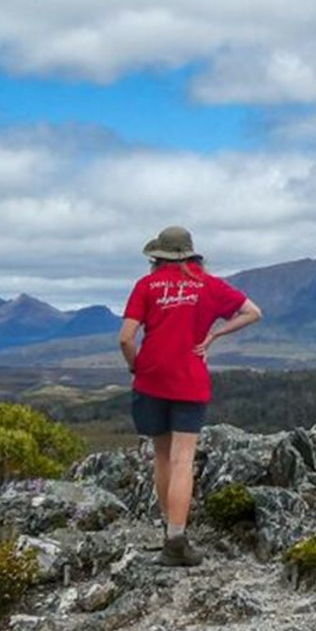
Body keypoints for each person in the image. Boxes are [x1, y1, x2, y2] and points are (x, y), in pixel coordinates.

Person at [118, 225, 262, 566]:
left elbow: (125, 338)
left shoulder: (146, 286)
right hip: (190, 379)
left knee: (162, 456)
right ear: (189, 252)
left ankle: (169, 533)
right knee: (184, 459)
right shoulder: (208, 285)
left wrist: (136, 367)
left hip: (150, 379)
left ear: (157, 256)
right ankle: (176, 540)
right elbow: (253, 311)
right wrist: (214, 335)